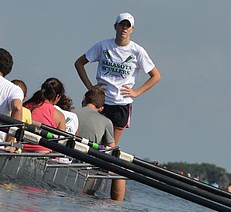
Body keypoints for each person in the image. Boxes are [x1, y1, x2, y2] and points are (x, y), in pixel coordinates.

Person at [74, 12, 161, 200]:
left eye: (127, 26)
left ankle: (103, 193)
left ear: (132, 30)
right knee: (94, 146)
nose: (124, 29)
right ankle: (85, 187)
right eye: (121, 25)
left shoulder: (138, 51)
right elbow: (79, 63)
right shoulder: (103, 46)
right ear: (115, 26)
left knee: (109, 151)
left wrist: (136, 92)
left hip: (121, 105)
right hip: (101, 102)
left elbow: (156, 76)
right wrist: (90, 87)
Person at [22, 78, 67, 153]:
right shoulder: (59, 115)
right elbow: (61, 143)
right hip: (43, 154)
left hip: (21, 150)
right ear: (57, 97)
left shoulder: (27, 106)